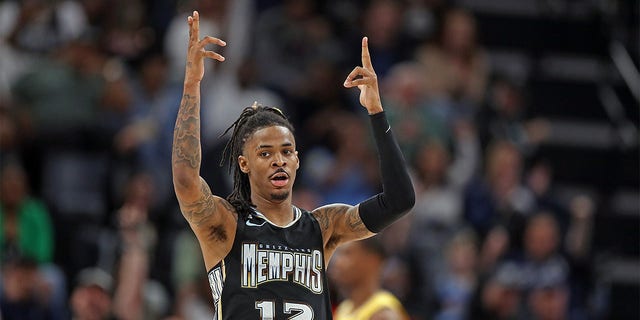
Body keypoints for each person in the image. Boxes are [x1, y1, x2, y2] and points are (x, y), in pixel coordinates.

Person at [171, 10, 415, 320]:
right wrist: (191, 86)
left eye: (287, 151)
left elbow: (400, 201)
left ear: (297, 161)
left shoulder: (322, 228)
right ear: (244, 163)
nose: (278, 160)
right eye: (265, 153)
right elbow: (185, 179)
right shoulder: (225, 223)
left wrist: (377, 113)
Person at [330, 237, 409, 320]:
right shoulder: (343, 309)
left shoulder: (384, 314)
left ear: (373, 259)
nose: (337, 262)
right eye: (338, 254)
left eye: (347, 253)